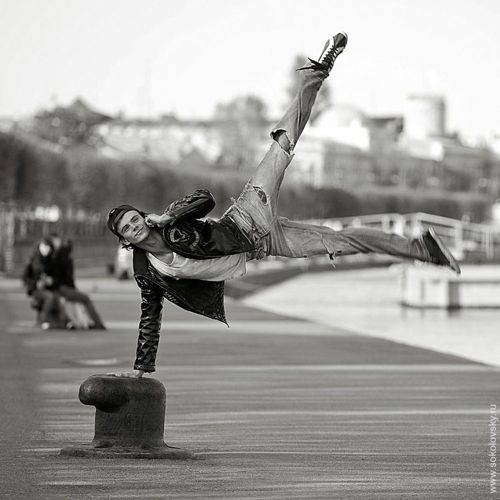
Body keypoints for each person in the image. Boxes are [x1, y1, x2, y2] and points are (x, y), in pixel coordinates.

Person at [106, 33, 460, 378]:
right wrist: (142, 370)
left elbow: (205, 199)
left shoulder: (170, 223)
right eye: (127, 228)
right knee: (342, 242)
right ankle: (422, 249)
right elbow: (149, 316)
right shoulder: (146, 270)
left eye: (135, 218)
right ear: (125, 239)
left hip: (247, 215)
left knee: (283, 146)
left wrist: (168, 214)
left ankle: (314, 75)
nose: (135, 226)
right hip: (264, 244)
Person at [49, 233, 107, 330]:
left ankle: (85, 322)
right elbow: (67, 278)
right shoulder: (64, 258)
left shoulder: (56, 256)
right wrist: (73, 288)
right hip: (62, 288)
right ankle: (97, 322)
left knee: (80, 300)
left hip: (60, 287)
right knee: (85, 299)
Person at [22, 238, 68, 329]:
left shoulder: (53, 260)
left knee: (59, 299)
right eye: (44, 247)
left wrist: (51, 281)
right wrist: (35, 283)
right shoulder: (32, 260)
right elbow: (25, 277)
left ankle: (65, 321)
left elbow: (57, 277)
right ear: (39, 247)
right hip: (36, 290)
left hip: (50, 288)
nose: (46, 249)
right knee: (49, 296)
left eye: (48, 247)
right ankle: (44, 320)